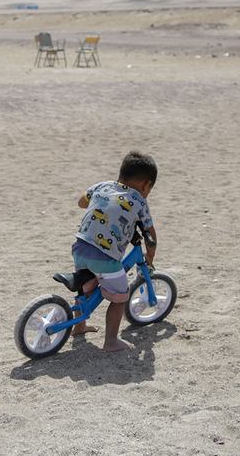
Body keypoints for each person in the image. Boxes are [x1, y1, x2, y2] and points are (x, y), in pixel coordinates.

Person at [71, 151, 158, 352]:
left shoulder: (102, 186)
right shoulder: (139, 201)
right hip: (105, 257)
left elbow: (81, 202)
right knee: (120, 296)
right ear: (146, 185)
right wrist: (150, 257)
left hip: (80, 247)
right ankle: (111, 341)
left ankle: (79, 327)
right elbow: (150, 236)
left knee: (86, 287)